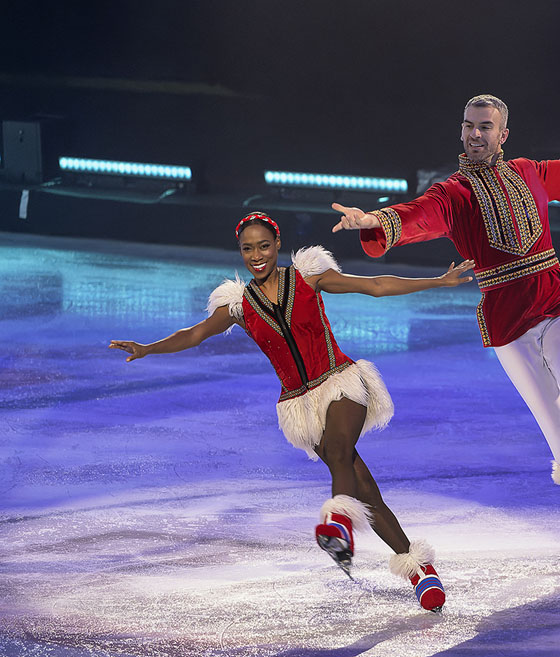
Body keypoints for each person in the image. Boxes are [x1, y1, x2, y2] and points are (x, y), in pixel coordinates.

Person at [110, 211, 474, 610]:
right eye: (247, 248)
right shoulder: (240, 304)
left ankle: (337, 523)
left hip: (342, 381)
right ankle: (420, 568)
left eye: (263, 245)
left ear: (277, 244)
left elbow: (374, 285)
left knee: (338, 451)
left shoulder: (307, 276)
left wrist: (437, 281)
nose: (256, 255)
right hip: (301, 404)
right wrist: (148, 348)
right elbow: (194, 334)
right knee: (363, 487)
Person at [331, 94, 560, 561]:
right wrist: (371, 220)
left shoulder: (530, 171)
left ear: (503, 135)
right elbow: (416, 216)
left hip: (552, 294)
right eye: (469, 125)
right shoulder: (452, 194)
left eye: (485, 126)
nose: (475, 133)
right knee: (555, 430)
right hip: (507, 318)